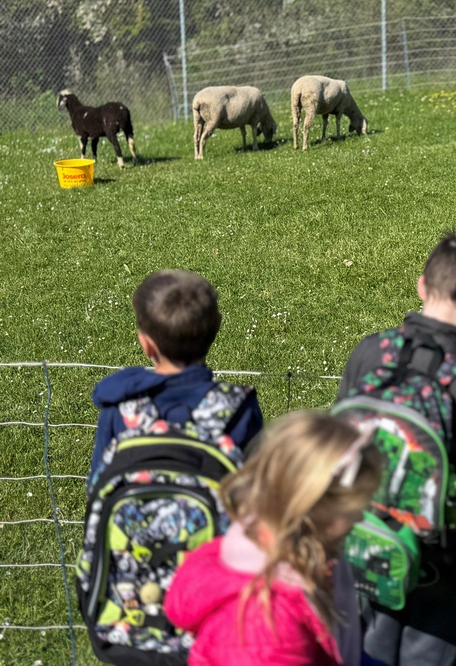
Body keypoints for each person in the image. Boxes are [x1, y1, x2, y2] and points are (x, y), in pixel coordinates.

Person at [336, 233, 456, 666]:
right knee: (430, 653)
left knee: (360, 645)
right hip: (440, 555)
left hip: (362, 536)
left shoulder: (371, 351)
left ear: (421, 285)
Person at [164, 410, 382, 666]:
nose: (359, 519)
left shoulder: (298, 555)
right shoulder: (264, 627)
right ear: (314, 507)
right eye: (354, 509)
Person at [88, 269, 263, 480]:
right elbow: (256, 492)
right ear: (217, 327)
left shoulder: (121, 405)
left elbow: (98, 487)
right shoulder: (238, 408)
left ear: (146, 345)